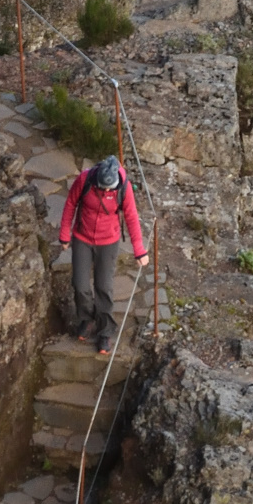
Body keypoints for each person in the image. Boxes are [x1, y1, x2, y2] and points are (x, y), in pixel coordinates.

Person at [58, 151, 147, 354]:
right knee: (80, 284)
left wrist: (139, 250)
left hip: (109, 241)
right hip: (82, 237)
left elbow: (132, 217)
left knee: (103, 286)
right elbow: (70, 204)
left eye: (110, 187)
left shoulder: (123, 186)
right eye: (103, 186)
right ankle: (86, 318)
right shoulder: (85, 179)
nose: (107, 190)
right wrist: (64, 234)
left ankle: (105, 330)